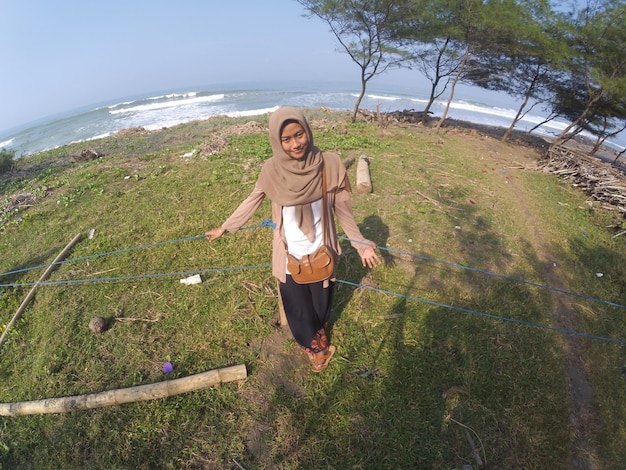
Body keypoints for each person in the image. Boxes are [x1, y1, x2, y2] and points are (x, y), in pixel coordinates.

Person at [206, 106, 381, 372]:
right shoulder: (272, 171)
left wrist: (359, 244)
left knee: (321, 306)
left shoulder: (330, 164)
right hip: (289, 256)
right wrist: (226, 227)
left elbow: (344, 212)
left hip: (322, 251)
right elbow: (253, 200)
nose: (295, 144)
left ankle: (319, 335)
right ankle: (315, 349)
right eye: (286, 139)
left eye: (299, 135)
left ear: (307, 131)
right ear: (277, 141)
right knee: (297, 309)